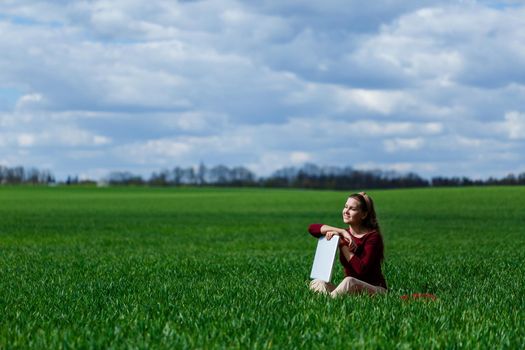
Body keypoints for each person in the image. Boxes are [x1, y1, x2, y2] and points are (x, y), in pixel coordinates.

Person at [308, 192, 387, 297]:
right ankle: (331, 301)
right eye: (346, 207)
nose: (346, 211)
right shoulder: (345, 234)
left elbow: (361, 270)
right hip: (353, 291)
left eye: (352, 209)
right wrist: (342, 232)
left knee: (349, 281)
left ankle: (327, 304)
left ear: (364, 214)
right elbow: (312, 228)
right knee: (318, 282)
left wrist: (342, 244)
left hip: (376, 290)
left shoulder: (373, 237)